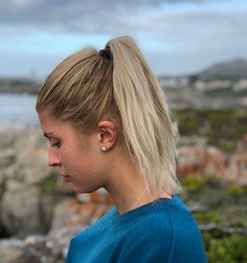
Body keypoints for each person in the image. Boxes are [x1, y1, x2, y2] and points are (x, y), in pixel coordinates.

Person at [36, 36, 207, 263]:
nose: (51, 159)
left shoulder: (164, 241)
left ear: (105, 135)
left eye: (56, 142)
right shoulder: (122, 221)